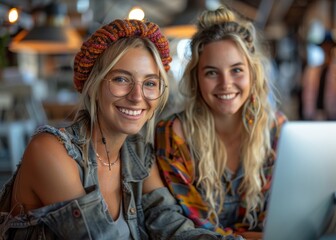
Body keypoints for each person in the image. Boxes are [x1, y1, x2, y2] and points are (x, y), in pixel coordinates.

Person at [0, 19, 236, 240]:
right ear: (93, 85)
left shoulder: (138, 154)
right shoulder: (50, 151)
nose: (137, 97)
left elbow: (168, 222)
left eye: (150, 83)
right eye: (121, 79)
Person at [155, 7, 287, 239]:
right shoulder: (173, 136)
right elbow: (187, 223)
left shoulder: (277, 130)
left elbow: (285, 211)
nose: (226, 84)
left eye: (236, 70)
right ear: (196, 78)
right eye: (212, 73)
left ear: (253, 73)